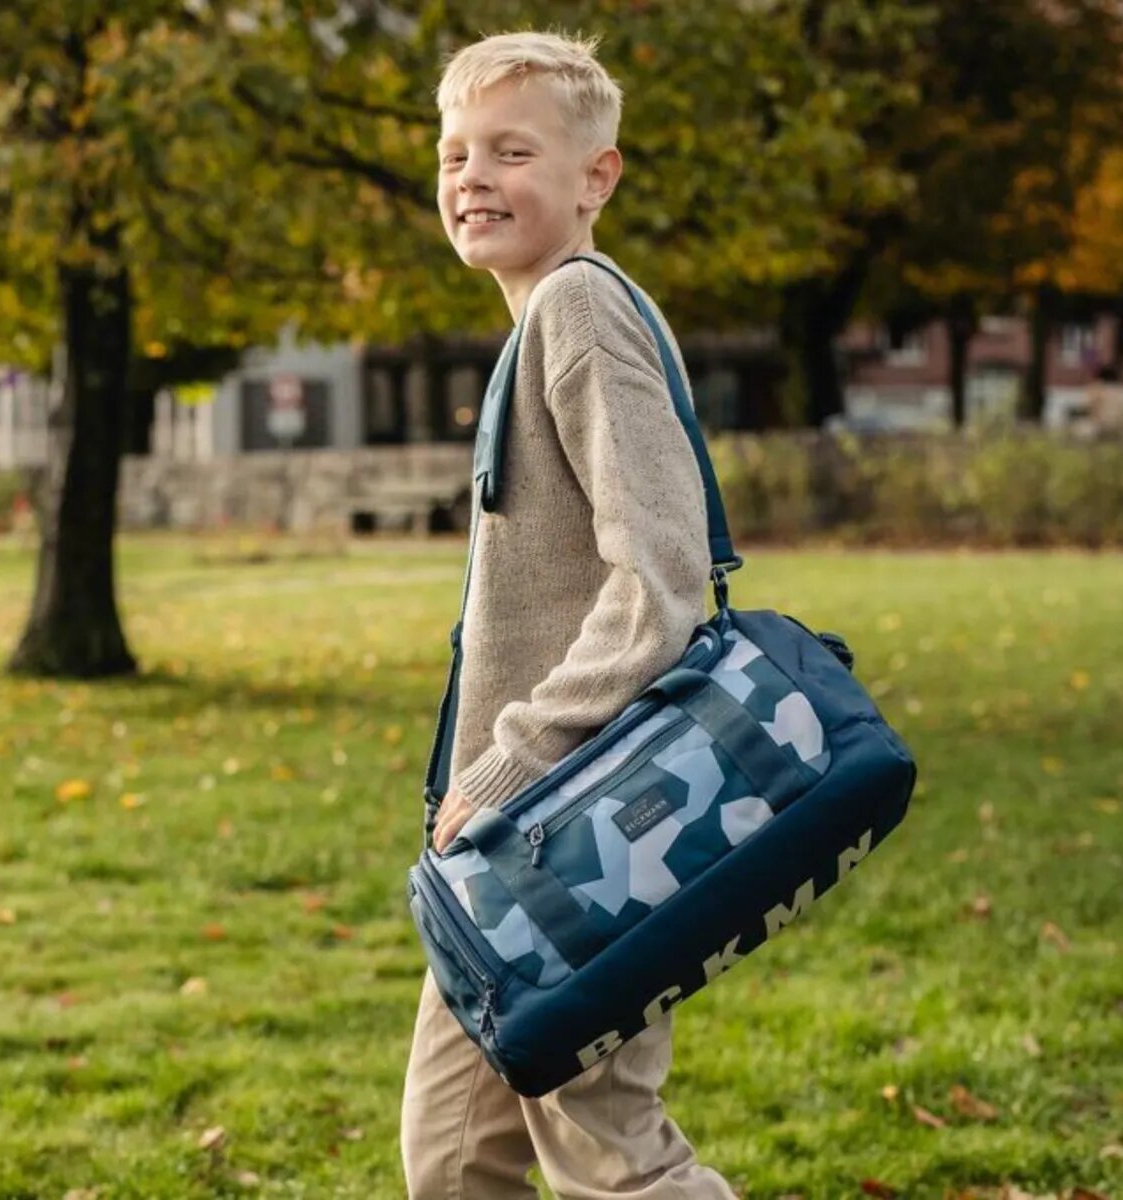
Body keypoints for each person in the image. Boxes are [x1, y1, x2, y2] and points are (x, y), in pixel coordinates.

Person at [400, 29, 739, 1200]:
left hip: (584, 835)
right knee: (455, 1155)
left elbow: (660, 583)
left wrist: (512, 764)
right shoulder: (539, 321)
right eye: (454, 154)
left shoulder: (580, 311)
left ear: (597, 177)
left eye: (511, 150)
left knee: (613, 1164)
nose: (472, 178)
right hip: (504, 853)